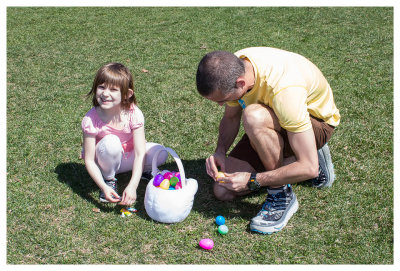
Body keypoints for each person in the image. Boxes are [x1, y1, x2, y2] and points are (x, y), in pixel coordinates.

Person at [196, 47, 340, 234]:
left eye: (222, 100)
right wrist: (220, 151)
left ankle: (281, 194)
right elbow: (231, 118)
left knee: (253, 116)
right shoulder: (235, 66)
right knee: (222, 190)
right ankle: (294, 157)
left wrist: (253, 180)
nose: (221, 105)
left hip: (314, 123)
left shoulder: (285, 91)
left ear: (240, 83)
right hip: (270, 120)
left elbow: (309, 168)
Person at [82, 63, 167, 206]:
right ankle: (109, 179)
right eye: (101, 87)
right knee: (111, 142)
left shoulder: (134, 113)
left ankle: (144, 172)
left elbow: (140, 153)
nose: (105, 93)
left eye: (113, 89)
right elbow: (89, 160)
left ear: (127, 94)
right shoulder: (91, 119)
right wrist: (103, 186)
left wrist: (133, 185)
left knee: (160, 152)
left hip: (127, 157)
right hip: (106, 159)